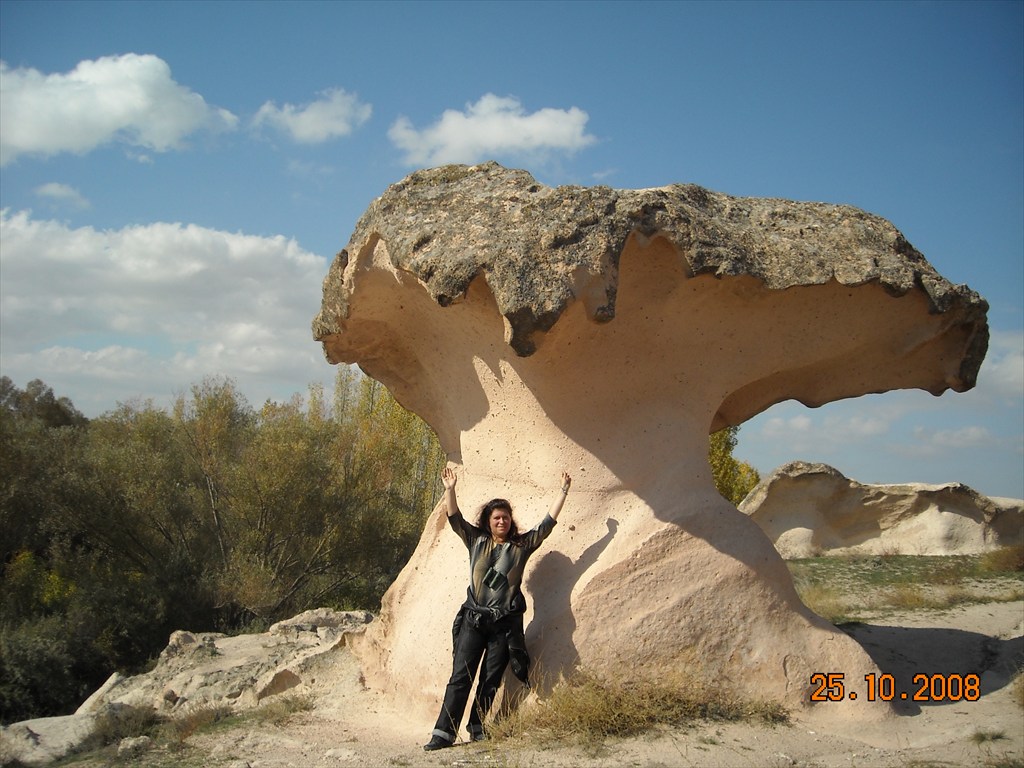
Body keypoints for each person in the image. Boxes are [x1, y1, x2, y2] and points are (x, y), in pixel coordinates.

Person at [423, 466, 572, 751]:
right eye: (496, 517)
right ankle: (443, 733)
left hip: (503, 625)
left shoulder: (521, 546)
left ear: (510, 521)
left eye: (505, 517)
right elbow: (454, 518)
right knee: (460, 677)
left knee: (490, 680)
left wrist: (563, 491)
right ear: (488, 522)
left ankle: (477, 727)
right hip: (474, 620)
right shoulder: (476, 541)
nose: (501, 521)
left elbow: (547, 524)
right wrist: (449, 489)